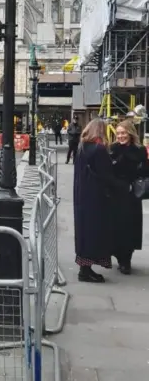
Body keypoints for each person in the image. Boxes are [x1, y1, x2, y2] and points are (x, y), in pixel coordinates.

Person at [73, 117, 122, 283]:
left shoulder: (82, 147)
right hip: (95, 197)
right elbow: (106, 175)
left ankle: (84, 268)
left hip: (82, 195)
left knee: (84, 231)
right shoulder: (98, 148)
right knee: (94, 231)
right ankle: (85, 272)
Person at [109, 119, 149, 274]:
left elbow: (144, 171)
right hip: (116, 193)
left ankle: (126, 260)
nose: (120, 136)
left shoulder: (138, 150)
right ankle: (119, 256)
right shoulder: (113, 148)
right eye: (118, 133)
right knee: (116, 227)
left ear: (130, 133)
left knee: (130, 227)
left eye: (123, 133)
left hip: (131, 194)